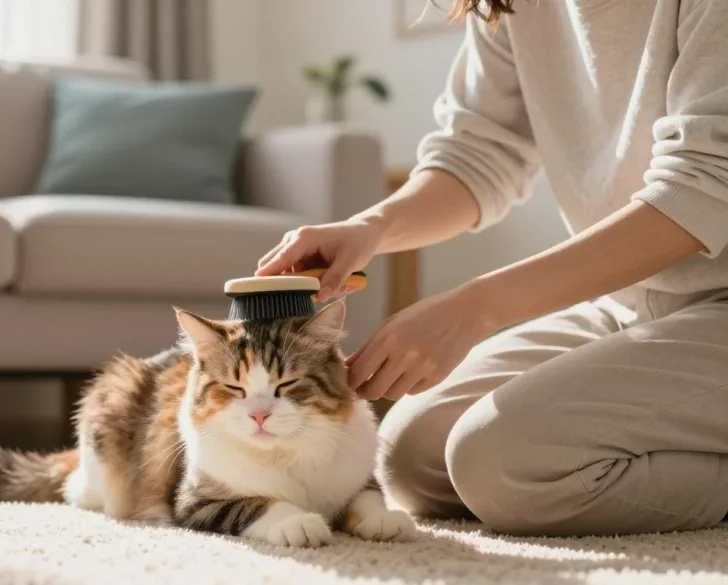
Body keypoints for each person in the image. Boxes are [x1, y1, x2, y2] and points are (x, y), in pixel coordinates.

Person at [256, 0, 728, 537]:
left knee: (504, 465)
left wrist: (473, 310)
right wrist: (370, 229)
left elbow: (703, 189)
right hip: (630, 305)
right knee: (411, 457)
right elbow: (478, 152)